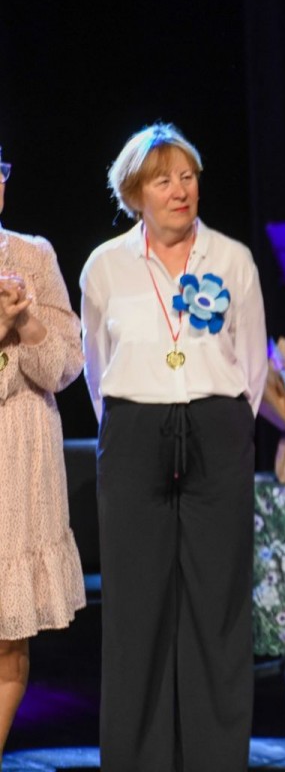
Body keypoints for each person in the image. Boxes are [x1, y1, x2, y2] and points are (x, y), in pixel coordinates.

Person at [80, 123, 267, 771]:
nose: (179, 190)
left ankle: (216, 758)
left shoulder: (232, 258)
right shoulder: (105, 266)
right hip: (134, 431)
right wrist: (137, 421)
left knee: (218, 604)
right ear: (135, 193)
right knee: (136, 606)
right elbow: (96, 369)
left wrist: (222, 421)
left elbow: (253, 365)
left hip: (216, 426)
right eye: (163, 179)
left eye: (187, 176)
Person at [0, 146, 87, 757]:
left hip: (23, 465)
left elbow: (65, 367)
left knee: (8, 640)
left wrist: (27, 321)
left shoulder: (35, 254)